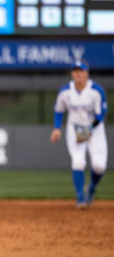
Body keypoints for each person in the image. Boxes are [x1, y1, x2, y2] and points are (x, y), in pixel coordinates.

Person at [50, 60, 108, 209]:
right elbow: (59, 110)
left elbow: (100, 116)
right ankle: (80, 198)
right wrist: (57, 128)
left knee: (99, 166)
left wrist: (88, 130)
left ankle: (92, 187)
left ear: (87, 73)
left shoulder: (96, 90)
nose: (78, 74)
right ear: (72, 73)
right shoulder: (65, 91)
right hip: (74, 128)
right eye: (75, 71)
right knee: (78, 162)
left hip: (95, 129)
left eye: (81, 71)